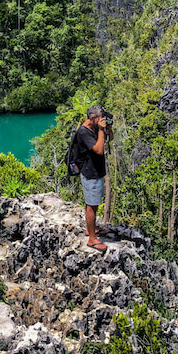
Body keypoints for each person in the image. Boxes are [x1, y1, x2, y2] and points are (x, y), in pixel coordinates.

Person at [72, 105, 113, 251]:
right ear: (92, 118)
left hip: (96, 171)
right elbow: (99, 150)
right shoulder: (83, 132)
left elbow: (110, 140)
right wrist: (101, 130)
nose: (102, 119)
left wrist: (108, 128)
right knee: (91, 206)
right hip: (90, 173)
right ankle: (92, 239)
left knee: (93, 204)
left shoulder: (95, 126)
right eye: (100, 117)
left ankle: (91, 230)